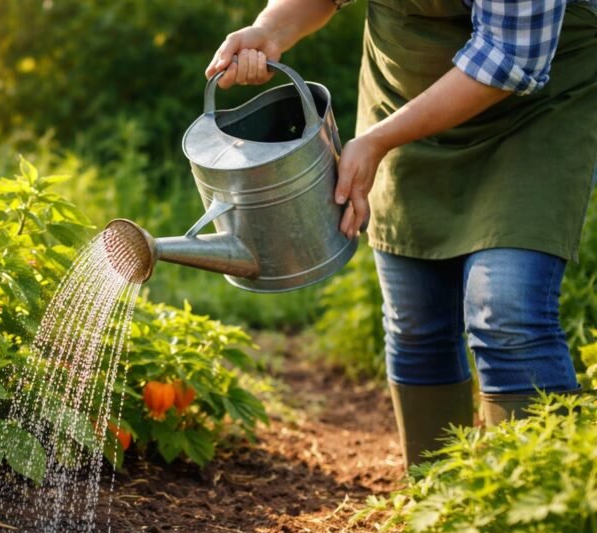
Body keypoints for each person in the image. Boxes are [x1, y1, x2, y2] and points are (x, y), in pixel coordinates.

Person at [207, 0, 597, 469]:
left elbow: (509, 58)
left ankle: (540, 519)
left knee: (507, 310)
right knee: (417, 319)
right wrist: (269, 32)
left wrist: (378, 141)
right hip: (405, 93)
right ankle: (439, 508)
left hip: (536, 109)